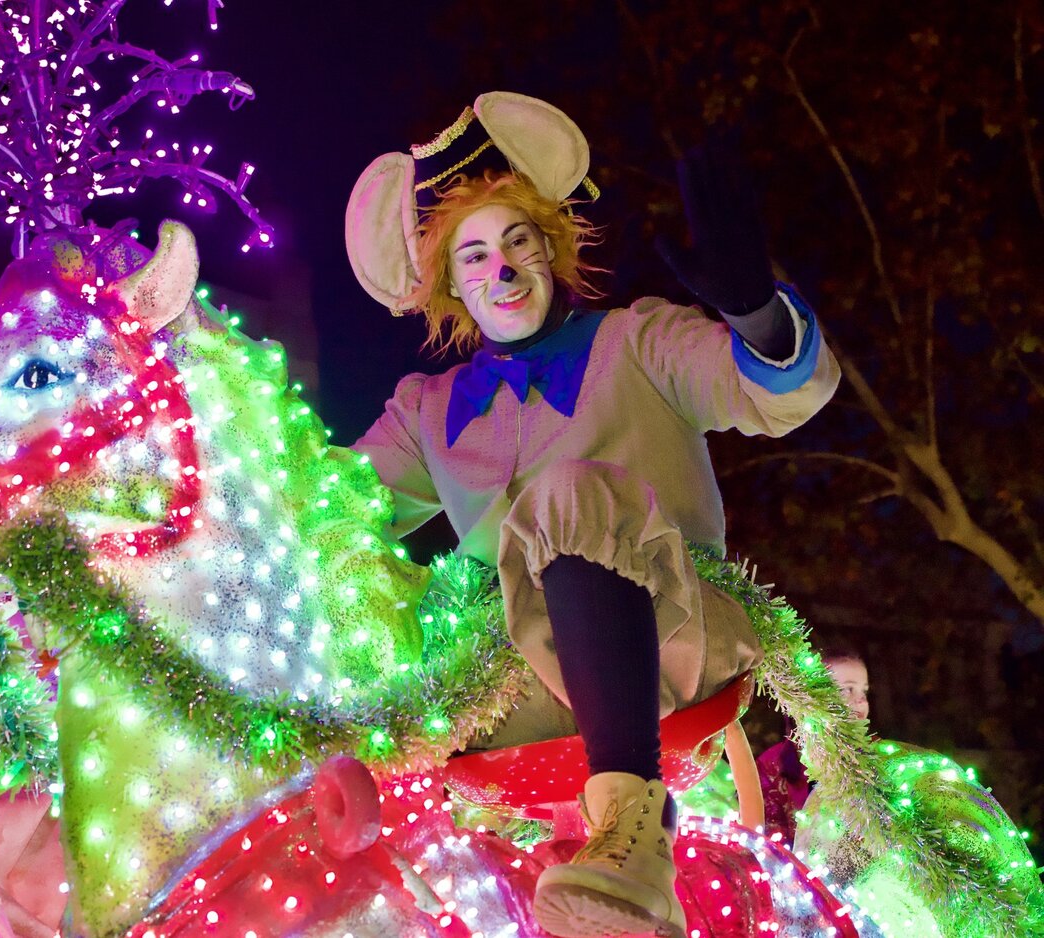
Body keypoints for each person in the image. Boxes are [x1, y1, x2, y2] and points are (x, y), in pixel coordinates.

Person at [345, 92, 840, 938]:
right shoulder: (426, 411)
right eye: (472, 256)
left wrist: (757, 315)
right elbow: (328, 510)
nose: (499, 270)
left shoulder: (636, 342)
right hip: (512, 691)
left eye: (517, 242)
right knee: (372, 622)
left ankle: (633, 832)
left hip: (673, 640)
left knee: (567, 495)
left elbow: (777, 395)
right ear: (451, 287)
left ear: (552, 248)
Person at [757, 648, 870, 843]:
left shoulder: (874, 758)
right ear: (812, 696)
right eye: (847, 689)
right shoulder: (773, 766)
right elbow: (767, 841)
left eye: (864, 691)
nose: (860, 700)